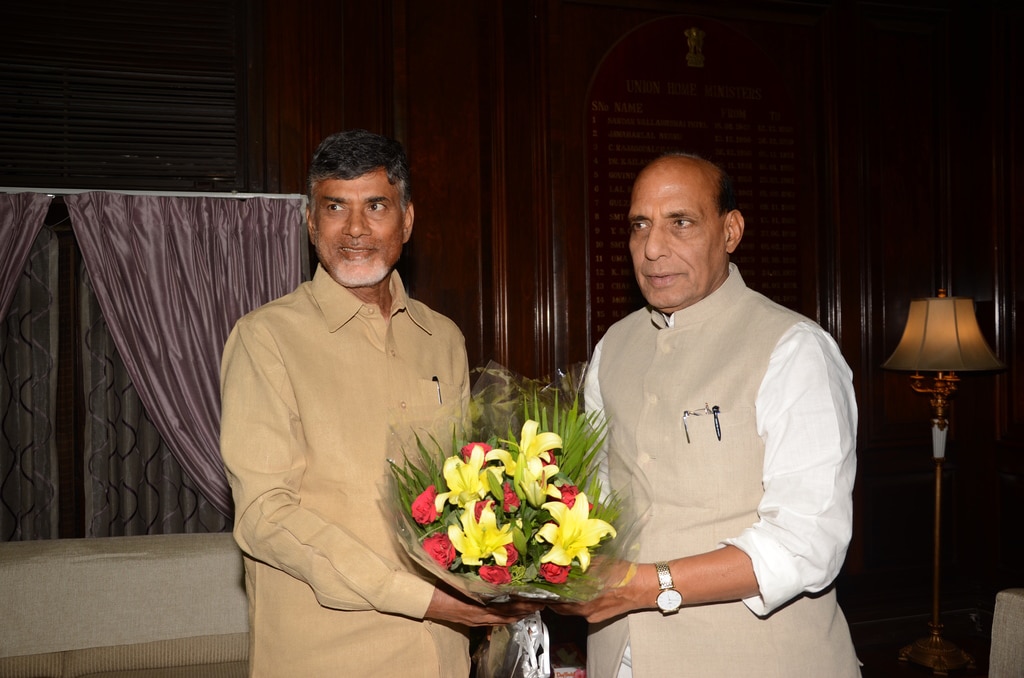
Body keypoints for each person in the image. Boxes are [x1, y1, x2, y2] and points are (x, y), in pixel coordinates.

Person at [220, 129, 537, 677]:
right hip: (325, 655)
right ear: (311, 222)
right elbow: (262, 515)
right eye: (335, 207)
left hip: (441, 652)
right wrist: (418, 598)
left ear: (407, 221)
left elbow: (466, 491)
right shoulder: (265, 337)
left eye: (376, 206)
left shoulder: (443, 338)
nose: (356, 229)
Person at [554, 153, 861, 677]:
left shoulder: (794, 348)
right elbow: (601, 499)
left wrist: (641, 586)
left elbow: (809, 542)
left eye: (681, 222)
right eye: (639, 225)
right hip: (617, 658)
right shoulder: (613, 347)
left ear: (731, 231)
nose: (653, 248)